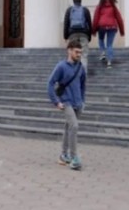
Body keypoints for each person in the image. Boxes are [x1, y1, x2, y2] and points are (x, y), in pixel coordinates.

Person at [47, 39, 86, 171]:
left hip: (78, 103)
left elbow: (83, 85)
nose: (79, 54)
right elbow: (50, 83)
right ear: (69, 50)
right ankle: (74, 158)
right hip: (66, 102)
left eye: (80, 52)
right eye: (76, 52)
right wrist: (56, 101)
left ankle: (64, 155)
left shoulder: (81, 67)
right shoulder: (61, 66)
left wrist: (82, 100)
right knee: (74, 126)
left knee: (68, 127)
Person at [92, 0, 125, 68]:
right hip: (112, 27)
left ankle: (103, 52)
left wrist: (93, 30)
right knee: (109, 44)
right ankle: (109, 62)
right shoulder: (114, 7)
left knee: (101, 39)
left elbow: (95, 19)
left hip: (102, 26)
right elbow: (119, 19)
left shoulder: (99, 6)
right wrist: (122, 31)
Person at [63, 0, 92, 73]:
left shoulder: (69, 10)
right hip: (84, 34)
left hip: (72, 35)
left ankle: (72, 73)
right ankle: (83, 74)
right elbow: (89, 23)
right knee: (83, 55)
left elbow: (66, 24)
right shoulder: (85, 10)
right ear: (80, 1)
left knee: (72, 55)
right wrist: (89, 36)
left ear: (73, 1)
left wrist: (65, 36)